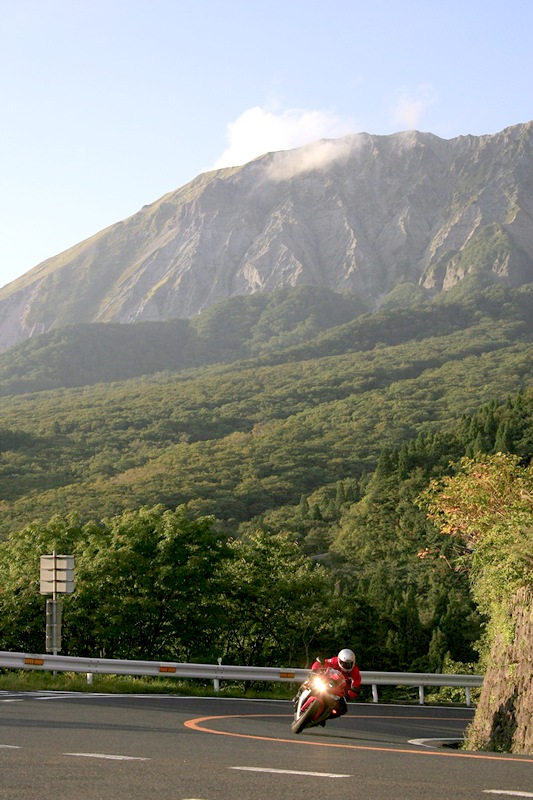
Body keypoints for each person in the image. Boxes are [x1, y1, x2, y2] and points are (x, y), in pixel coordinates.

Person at [311, 648, 361, 719]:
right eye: (344, 663)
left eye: (348, 664)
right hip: (326, 682)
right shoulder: (333, 661)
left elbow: (357, 682)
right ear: (339, 660)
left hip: (339, 690)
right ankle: (299, 695)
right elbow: (321, 663)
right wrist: (315, 671)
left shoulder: (355, 670)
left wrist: (350, 694)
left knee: (342, 709)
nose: (346, 666)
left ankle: (324, 717)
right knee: (311, 681)